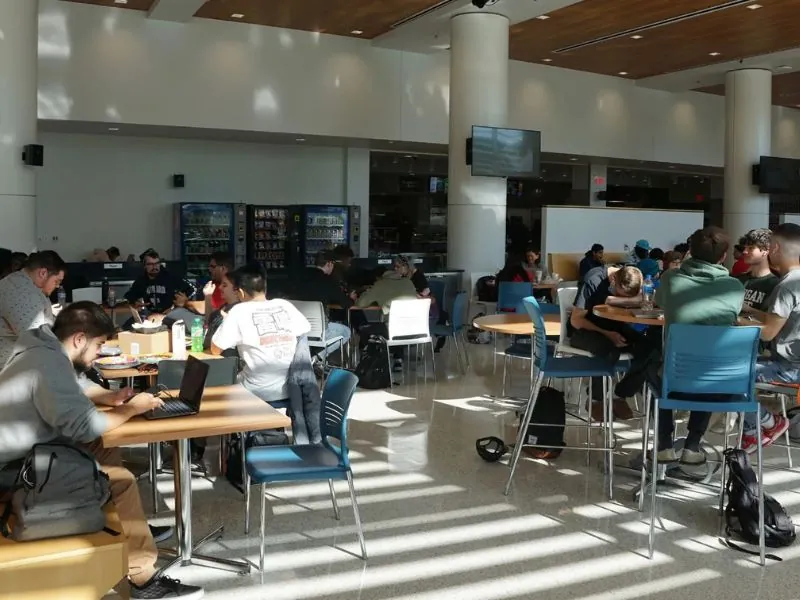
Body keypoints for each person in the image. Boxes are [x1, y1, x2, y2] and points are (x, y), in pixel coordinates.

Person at [0, 302, 203, 599]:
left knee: (102, 448)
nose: (98, 354)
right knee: (119, 481)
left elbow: (77, 384)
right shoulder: (47, 364)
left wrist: (113, 396)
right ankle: (142, 579)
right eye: (98, 346)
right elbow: (85, 425)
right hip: (13, 472)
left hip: (24, 455)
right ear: (79, 339)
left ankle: (129, 526)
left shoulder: (43, 350)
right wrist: (132, 409)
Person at [654, 226, 745, 464]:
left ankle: (664, 444)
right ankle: (692, 445)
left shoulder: (671, 279)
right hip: (723, 385)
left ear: (689, 253)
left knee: (654, 367)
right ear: (724, 257)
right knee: (707, 362)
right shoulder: (735, 287)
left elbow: (659, 302)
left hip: (676, 382)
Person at [738, 223, 800, 453]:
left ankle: (767, 424)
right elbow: (777, 319)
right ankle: (755, 430)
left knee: (729, 373)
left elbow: (768, 332)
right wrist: (751, 311)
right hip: (793, 362)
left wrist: (735, 320)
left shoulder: (787, 286)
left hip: (790, 367)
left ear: (774, 248)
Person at [211, 264, 310, 403]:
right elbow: (304, 330)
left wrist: (226, 323)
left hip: (255, 391)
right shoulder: (284, 305)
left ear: (240, 292)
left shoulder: (239, 311)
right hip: (292, 388)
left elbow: (215, 349)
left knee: (214, 383)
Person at [568, 265, 646, 421]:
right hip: (586, 330)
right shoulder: (594, 280)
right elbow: (576, 320)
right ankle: (596, 399)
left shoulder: (628, 276)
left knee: (649, 348)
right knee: (609, 351)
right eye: (618, 294)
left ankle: (621, 394)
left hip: (616, 327)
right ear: (613, 279)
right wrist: (607, 334)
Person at [0, 250, 66, 365]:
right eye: (57, 281)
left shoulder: (25, 284)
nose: (57, 286)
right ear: (43, 273)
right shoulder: (20, 292)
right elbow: (37, 340)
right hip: (12, 370)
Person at [291, 250, 352, 363]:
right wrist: (351, 297)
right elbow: (346, 303)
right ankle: (317, 357)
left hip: (296, 329)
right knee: (346, 332)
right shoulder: (328, 281)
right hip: (318, 331)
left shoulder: (297, 279)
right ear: (329, 264)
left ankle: (309, 356)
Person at [355, 269, 418, 369]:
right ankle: (398, 358)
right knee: (396, 324)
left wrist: (365, 293)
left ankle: (371, 363)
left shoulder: (380, 284)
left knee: (365, 329)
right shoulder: (409, 282)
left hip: (393, 331)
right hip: (416, 330)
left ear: (380, 278)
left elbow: (361, 303)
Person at [124, 249, 194, 316]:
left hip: (170, 314)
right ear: (145, 266)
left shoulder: (171, 277)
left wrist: (177, 306)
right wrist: (134, 302)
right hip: (149, 316)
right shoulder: (141, 280)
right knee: (126, 326)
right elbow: (128, 296)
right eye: (150, 264)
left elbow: (193, 289)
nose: (154, 267)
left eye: (157, 263)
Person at [737, 228, 778, 312]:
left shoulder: (775, 284)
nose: (744, 252)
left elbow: (770, 319)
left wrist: (746, 308)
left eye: (751, 248)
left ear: (766, 251)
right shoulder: (739, 279)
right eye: (744, 248)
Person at [203, 251, 235, 318]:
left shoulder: (232, 284)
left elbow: (213, 310)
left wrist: (186, 303)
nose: (209, 269)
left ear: (223, 268)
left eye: (212, 266)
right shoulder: (215, 283)